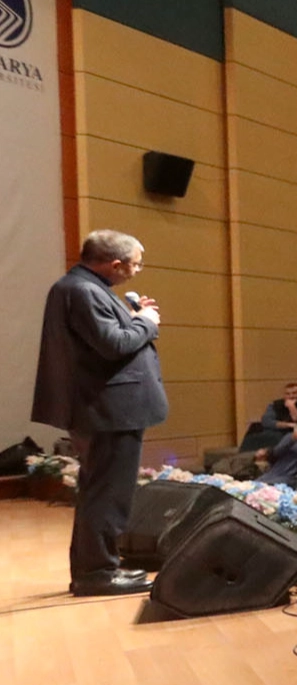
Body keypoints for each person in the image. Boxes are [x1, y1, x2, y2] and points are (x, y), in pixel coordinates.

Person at [32, 230, 168, 597]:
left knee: (100, 491)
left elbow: (106, 339)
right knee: (108, 493)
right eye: (135, 264)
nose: (137, 271)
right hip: (109, 411)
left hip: (105, 410)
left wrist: (135, 316)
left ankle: (97, 567)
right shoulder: (82, 291)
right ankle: (97, 574)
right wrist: (146, 322)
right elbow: (113, 345)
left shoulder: (83, 287)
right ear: (116, 264)